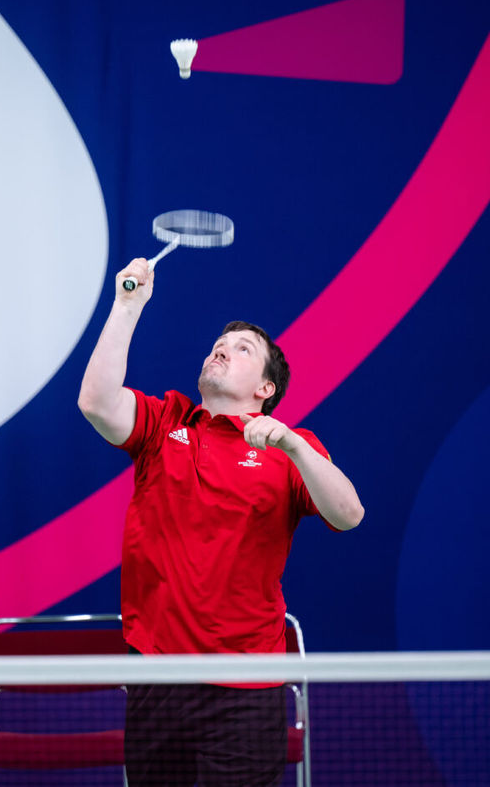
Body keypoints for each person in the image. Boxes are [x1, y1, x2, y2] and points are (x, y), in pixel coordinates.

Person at [77, 258, 364, 787]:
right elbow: (95, 403)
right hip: (158, 677)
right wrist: (127, 304)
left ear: (265, 390)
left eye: (242, 348)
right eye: (219, 342)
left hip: (245, 686)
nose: (223, 347)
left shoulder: (291, 452)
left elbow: (348, 515)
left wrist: (296, 445)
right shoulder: (165, 423)